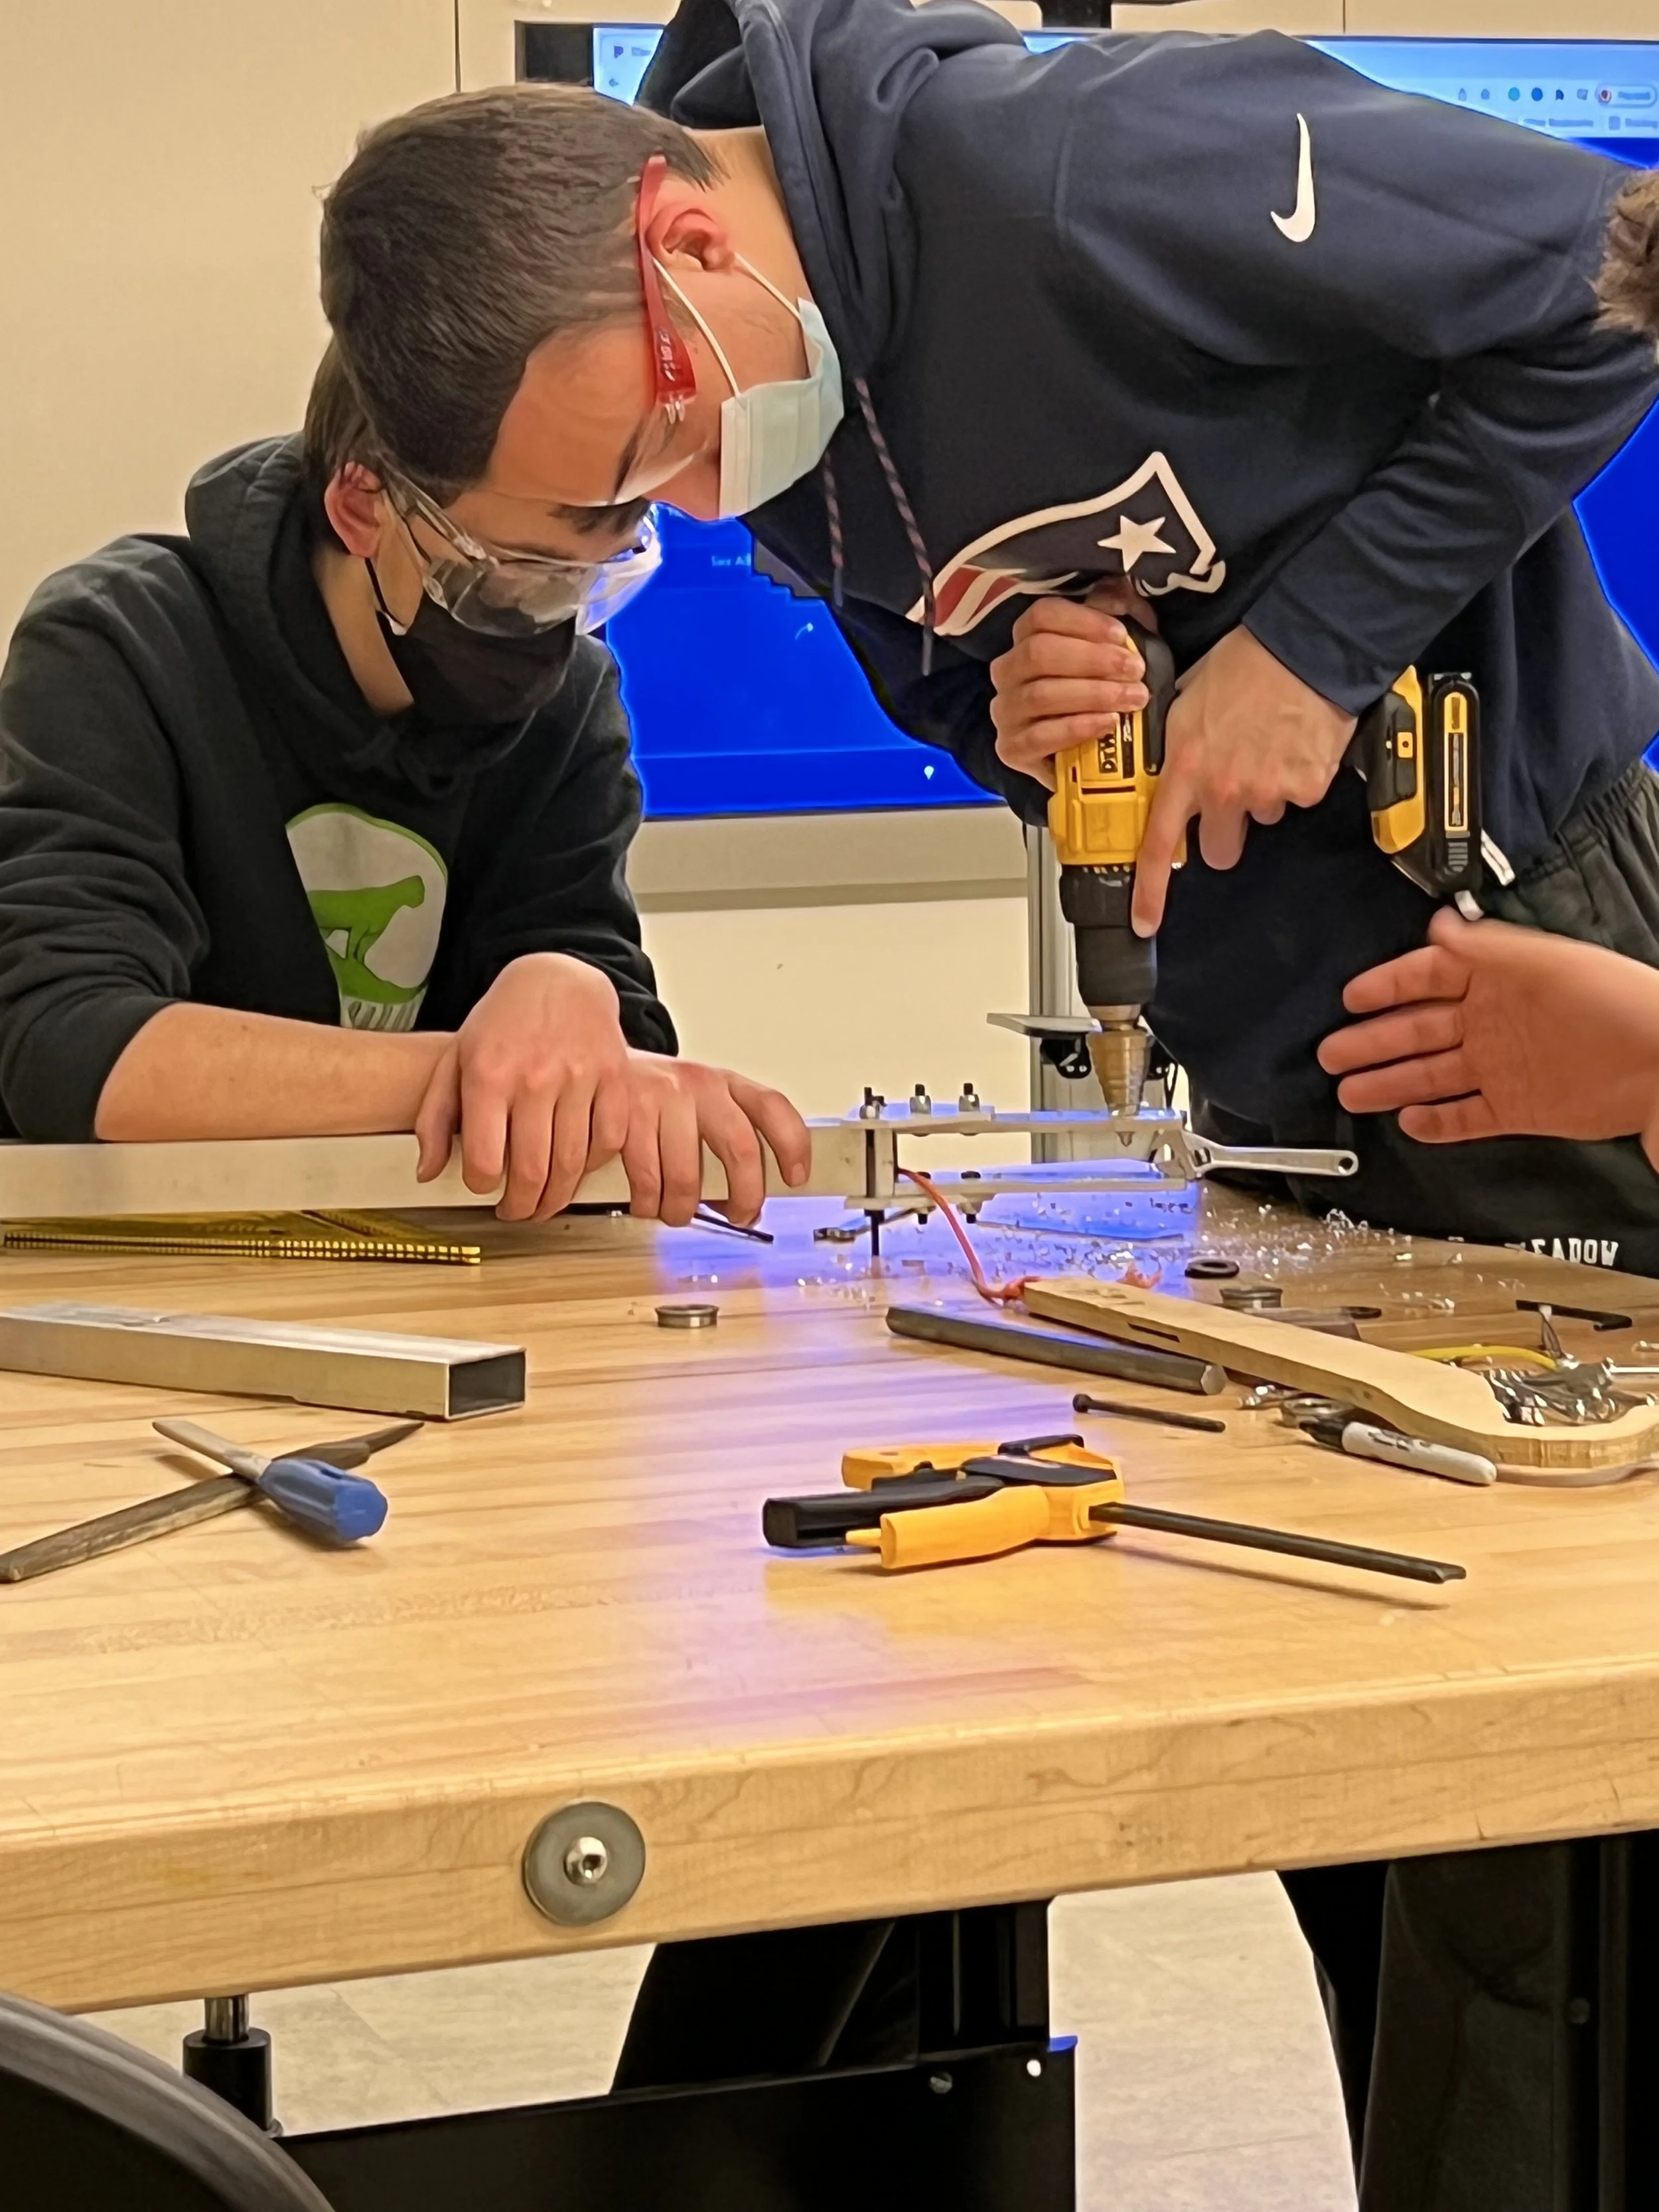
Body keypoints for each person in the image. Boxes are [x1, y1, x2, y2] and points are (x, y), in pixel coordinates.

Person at [308, 11, 1659, 2199]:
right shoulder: (781, 434)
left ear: (677, 236)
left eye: (652, 446)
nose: (683, 496)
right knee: (1372, 1800)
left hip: (1531, 952)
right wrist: (1031, 707)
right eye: (616, 506)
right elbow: (966, 673)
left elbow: (1612, 284)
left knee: (1546, 1847)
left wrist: (1310, 651)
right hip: (1281, 1038)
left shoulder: (1076, 174)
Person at [0, 348, 810, 1224]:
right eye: (514, 573)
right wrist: (489, 1072)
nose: (550, 623)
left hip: (425, 1278)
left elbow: (617, 1052)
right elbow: (65, 1043)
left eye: (590, 580)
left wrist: (567, 985)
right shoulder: (120, 645)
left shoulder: (569, 703)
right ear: (361, 507)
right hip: (125, 1275)